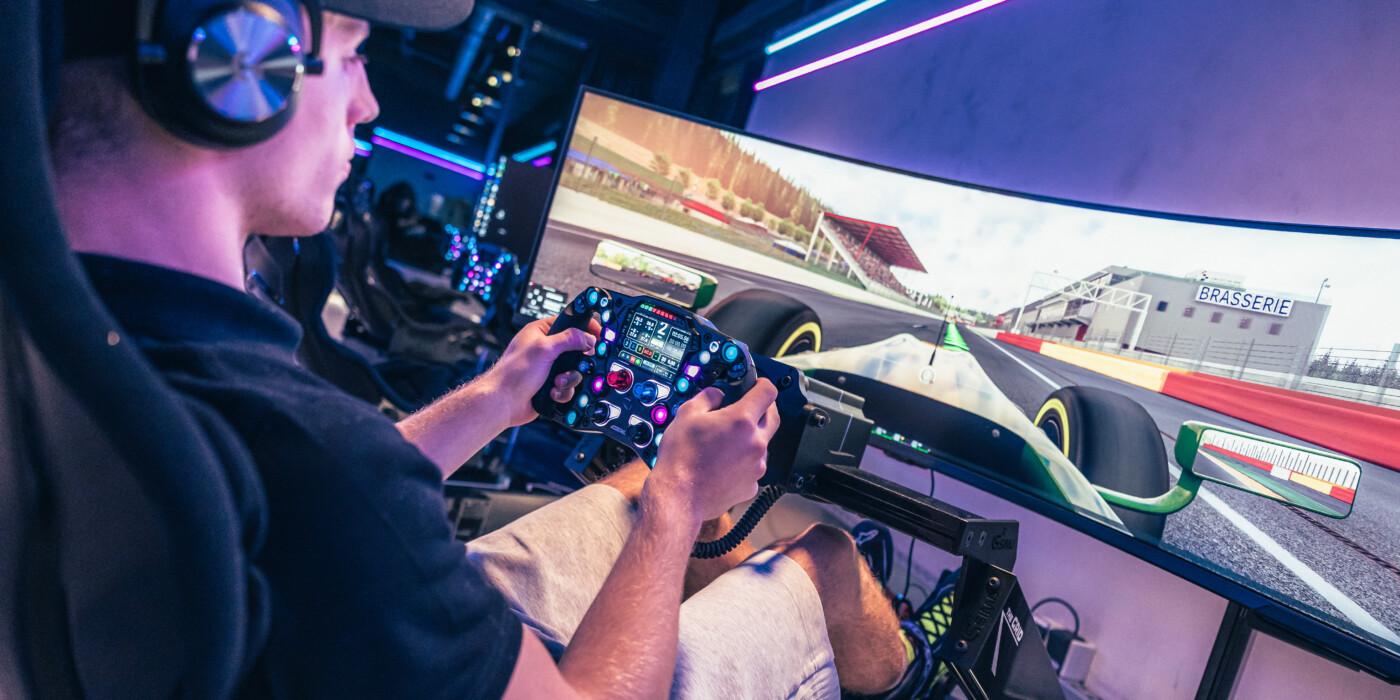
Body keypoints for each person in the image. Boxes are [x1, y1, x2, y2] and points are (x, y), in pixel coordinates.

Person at [51, 0, 911, 697]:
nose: (368, 103)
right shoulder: (314, 451)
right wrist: (683, 503)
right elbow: (333, 481)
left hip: (298, 636)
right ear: (238, 65)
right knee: (823, 557)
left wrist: (502, 397)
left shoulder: (84, 346)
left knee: (630, 488)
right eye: (351, 52)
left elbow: (293, 500)